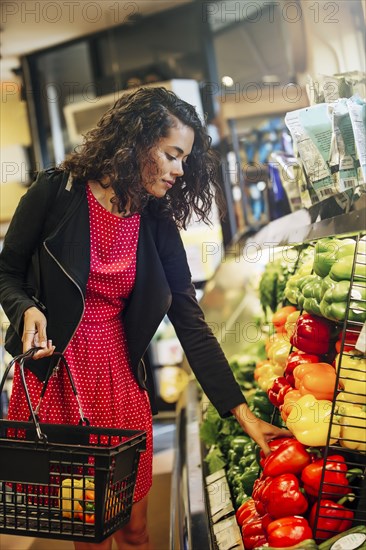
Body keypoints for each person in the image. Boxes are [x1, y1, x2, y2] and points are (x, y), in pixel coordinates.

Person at [0, 87, 287, 550]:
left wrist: (241, 412)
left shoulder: (155, 222)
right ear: (136, 142)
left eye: (184, 160)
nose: (179, 170)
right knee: (89, 531)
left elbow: (189, 319)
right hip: (60, 378)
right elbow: (7, 271)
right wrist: (26, 307)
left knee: (135, 526)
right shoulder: (57, 192)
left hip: (121, 378)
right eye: (172, 155)